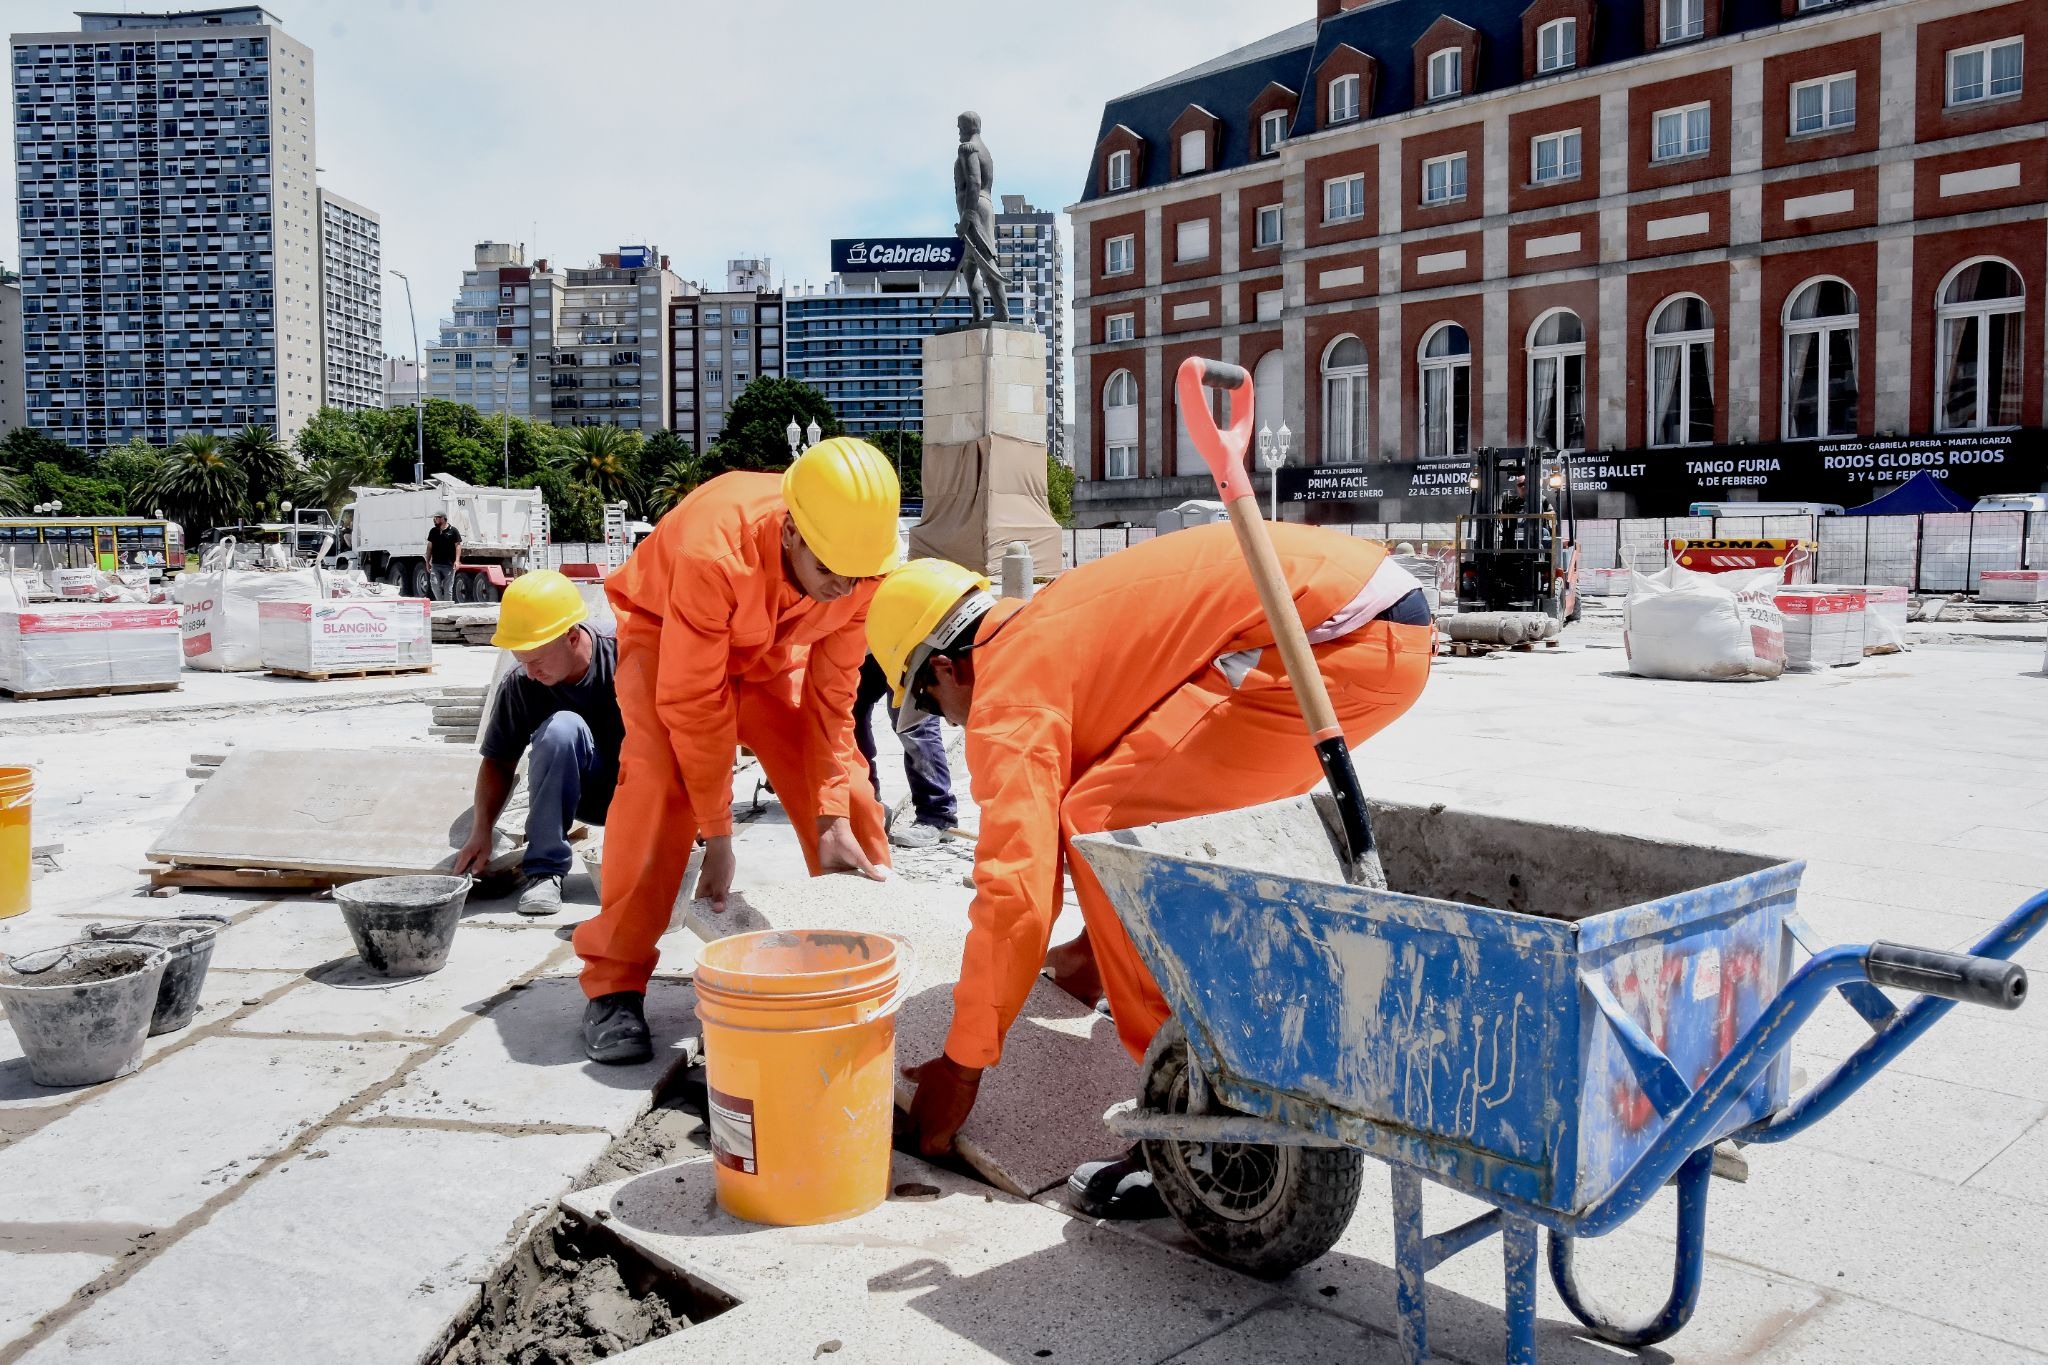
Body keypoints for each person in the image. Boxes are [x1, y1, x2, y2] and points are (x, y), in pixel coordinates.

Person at [868, 525, 1435, 1216]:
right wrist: (1090, 954)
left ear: (945, 669)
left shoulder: (1007, 689)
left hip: (1332, 634)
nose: (948, 721)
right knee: (1111, 805)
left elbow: (1016, 889)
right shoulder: (1048, 627)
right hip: (1362, 617)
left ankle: (1179, 1110)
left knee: (1106, 822)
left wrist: (962, 1065)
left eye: (926, 703)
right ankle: (1167, 1007)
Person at [571, 438, 901, 1065]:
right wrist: (717, 833)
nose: (844, 587)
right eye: (831, 571)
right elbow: (695, 706)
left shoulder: (861, 570)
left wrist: (829, 813)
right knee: (660, 785)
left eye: (858, 576)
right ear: (792, 535)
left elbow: (834, 704)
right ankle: (613, 980)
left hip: (770, 648)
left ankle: (869, 961)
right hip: (668, 635)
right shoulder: (714, 551)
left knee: (850, 794)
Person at [453, 570, 622, 915]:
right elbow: (498, 762)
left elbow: (683, 738)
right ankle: (545, 870)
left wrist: (699, 821)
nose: (530, 672)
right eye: (521, 660)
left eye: (537, 660)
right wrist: (481, 830)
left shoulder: (626, 656)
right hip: (583, 795)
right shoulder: (522, 684)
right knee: (562, 728)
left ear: (572, 637)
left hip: (641, 791)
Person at [852, 654, 957, 849]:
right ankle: (867, 802)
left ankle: (936, 815)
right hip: (864, 638)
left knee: (914, 721)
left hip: (908, 638)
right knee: (849, 711)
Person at [426, 512, 463, 601]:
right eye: (434, 518)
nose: (434, 520)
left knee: (448, 589)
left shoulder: (453, 531)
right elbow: (429, 547)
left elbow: (458, 546)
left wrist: (457, 561)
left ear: (443, 518)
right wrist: (427, 562)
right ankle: (440, 603)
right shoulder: (433, 531)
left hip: (449, 565)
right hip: (436, 564)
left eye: (437, 518)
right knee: (434, 585)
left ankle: (448, 608)